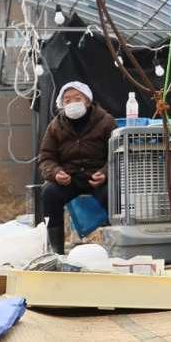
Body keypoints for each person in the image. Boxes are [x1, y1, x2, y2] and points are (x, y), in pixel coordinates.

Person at [38, 81, 116, 254]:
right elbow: (46, 158)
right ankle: (56, 250)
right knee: (49, 193)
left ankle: (116, 246)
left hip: (98, 177)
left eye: (77, 98)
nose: (72, 103)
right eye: (67, 100)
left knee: (113, 195)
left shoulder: (106, 122)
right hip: (69, 179)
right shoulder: (55, 126)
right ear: (61, 104)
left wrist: (105, 173)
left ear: (88, 101)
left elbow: (117, 155)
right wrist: (56, 173)